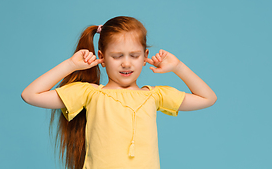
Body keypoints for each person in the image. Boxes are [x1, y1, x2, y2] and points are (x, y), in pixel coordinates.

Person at [21, 16, 217, 169]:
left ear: (145, 57)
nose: (126, 63)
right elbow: (30, 95)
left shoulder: (154, 95)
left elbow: (207, 98)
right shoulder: (90, 94)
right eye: (117, 56)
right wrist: (70, 65)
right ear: (102, 57)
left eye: (134, 55)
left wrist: (178, 67)